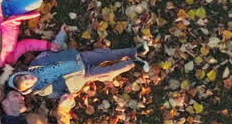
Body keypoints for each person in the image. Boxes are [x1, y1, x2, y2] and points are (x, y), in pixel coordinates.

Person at [8, 27, 150, 100]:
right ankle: (133, 63)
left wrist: (61, 35)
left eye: (25, 77)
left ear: (25, 72)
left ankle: (134, 51)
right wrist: (68, 95)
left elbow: (54, 50)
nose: (29, 79)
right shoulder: (43, 91)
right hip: (81, 77)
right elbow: (60, 93)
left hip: (78, 59)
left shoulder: (36, 63)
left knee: (107, 54)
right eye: (27, 83)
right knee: (108, 72)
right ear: (28, 89)